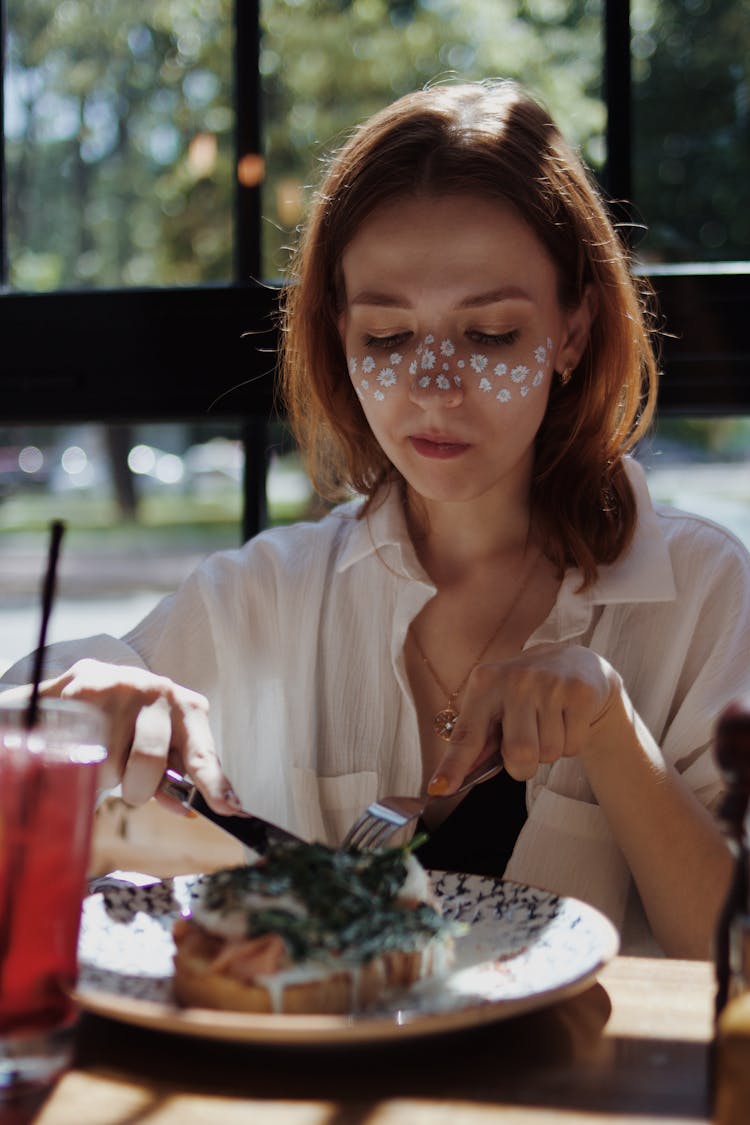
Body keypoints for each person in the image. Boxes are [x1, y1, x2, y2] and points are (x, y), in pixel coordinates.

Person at [3, 79, 749, 958]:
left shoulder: (701, 591)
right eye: (387, 338)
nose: (432, 387)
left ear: (575, 331)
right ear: (339, 335)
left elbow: (733, 953)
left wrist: (616, 737)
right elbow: (39, 729)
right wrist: (65, 705)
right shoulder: (270, 592)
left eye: (491, 336)